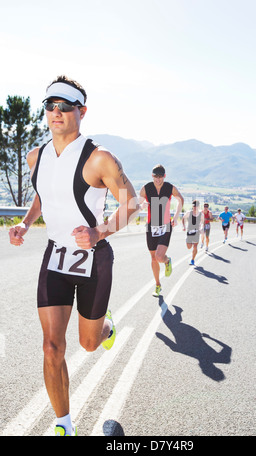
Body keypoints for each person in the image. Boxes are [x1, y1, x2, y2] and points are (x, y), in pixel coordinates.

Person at [8, 75, 139, 436]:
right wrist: (25, 222)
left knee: (89, 343)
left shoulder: (100, 159)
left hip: (94, 257)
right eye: (50, 105)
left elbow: (133, 204)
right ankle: (64, 424)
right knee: (52, 346)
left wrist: (98, 232)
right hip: (55, 257)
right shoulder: (38, 156)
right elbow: (41, 196)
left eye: (65, 106)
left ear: (82, 111)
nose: (56, 112)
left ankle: (105, 326)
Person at [139, 164, 184, 297]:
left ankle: (166, 260)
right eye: (155, 177)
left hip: (165, 226)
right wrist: (142, 205)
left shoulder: (170, 187)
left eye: (160, 177)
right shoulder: (146, 188)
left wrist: (175, 218)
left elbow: (180, 199)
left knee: (159, 257)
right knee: (153, 258)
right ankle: (158, 285)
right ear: (152, 176)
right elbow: (139, 204)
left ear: (164, 176)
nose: (157, 179)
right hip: (151, 227)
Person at [182, 199, 202, 264]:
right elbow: (183, 218)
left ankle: (192, 260)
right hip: (189, 231)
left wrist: (201, 228)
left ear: (198, 206)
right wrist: (184, 226)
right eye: (194, 206)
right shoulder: (189, 213)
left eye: (196, 206)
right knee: (189, 247)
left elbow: (203, 223)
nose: (195, 207)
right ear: (192, 206)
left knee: (195, 246)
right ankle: (188, 241)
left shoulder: (201, 214)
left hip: (197, 232)